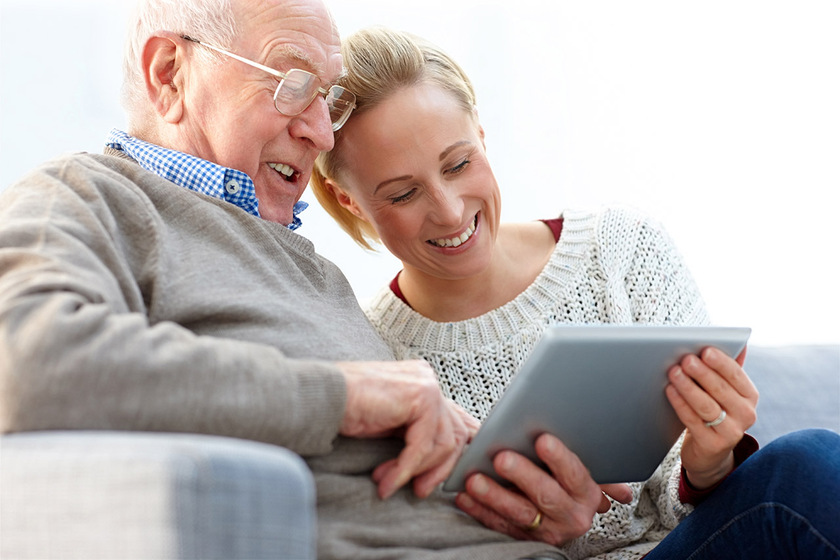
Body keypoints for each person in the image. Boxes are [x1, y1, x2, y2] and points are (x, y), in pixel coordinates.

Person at [310, 26, 840, 559]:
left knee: (804, 466)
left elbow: (699, 511)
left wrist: (710, 462)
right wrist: (523, 537)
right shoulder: (370, 354)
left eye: (459, 164)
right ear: (349, 201)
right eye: (404, 194)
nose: (449, 212)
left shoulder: (621, 251)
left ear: (482, 136)